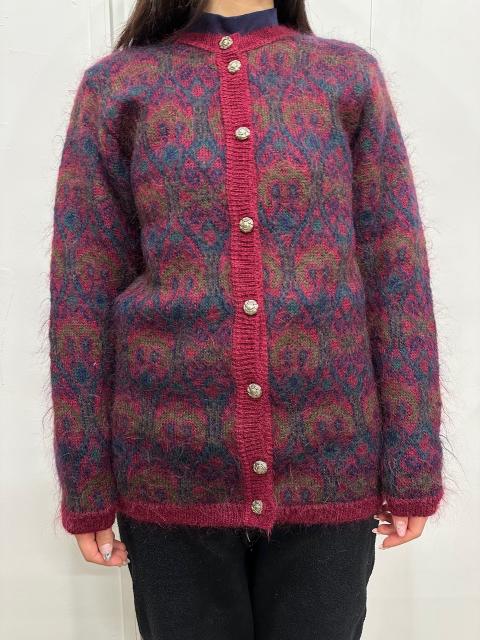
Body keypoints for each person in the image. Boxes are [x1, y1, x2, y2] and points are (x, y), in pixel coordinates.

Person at [48, 1, 445, 638]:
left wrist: (413, 460)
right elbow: (82, 296)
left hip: (329, 459)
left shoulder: (346, 78)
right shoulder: (119, 89)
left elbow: (396, 275)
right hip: (170, 466)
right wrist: (85, 480)